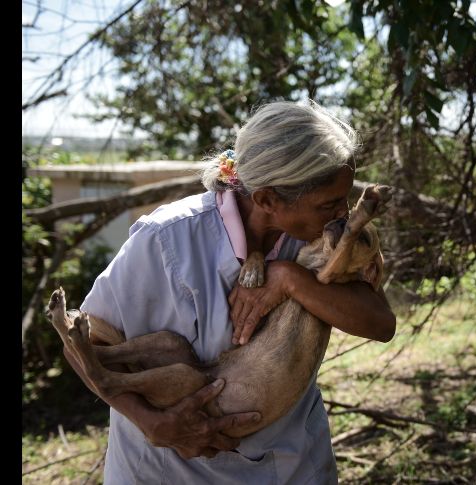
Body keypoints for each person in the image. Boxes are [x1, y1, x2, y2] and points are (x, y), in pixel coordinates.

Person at [65, 100, 397, 484]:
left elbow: (380, 323)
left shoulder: (319, 240)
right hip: (171, 471)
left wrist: (291, 278)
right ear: (267, 200)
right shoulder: (167, 240)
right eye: (329, 204)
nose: (343, 213)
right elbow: (81, 342)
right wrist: (151, 421)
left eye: (344, 199)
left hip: (293, 465)